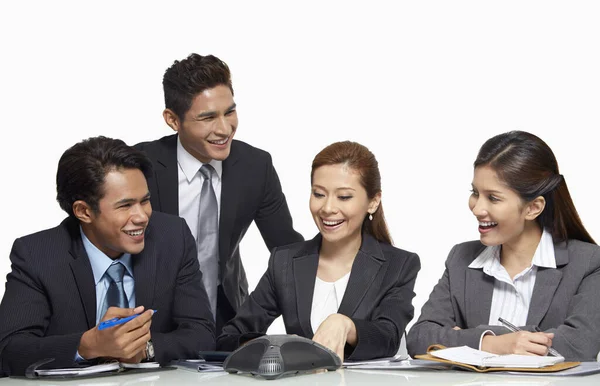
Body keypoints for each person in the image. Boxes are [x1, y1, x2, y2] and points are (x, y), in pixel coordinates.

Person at [0, 136, 215, 376]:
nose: (142, 216)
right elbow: (9, 349)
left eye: (145, 201)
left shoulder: (172, 238)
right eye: (125, 206)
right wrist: (86, 346)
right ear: (83, 211)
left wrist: (145, 349)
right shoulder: (37, 254)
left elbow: (202, 333)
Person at [135, 54, 303, 332]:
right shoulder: (141, 165)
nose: (225, 129)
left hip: (228, 316)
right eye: (208, 117)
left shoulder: (255, 166)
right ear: (172, 120)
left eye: (229, 112)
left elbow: (287, 252)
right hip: (151, 318)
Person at [217, 141, 420, 361]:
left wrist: (346, 326)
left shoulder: (399, 265)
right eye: (319, 194)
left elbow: (388, 337)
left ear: (373, 202)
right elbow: (230, 336)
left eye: (344, 197)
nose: (327, 208)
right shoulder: (285, 262)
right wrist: (272, 346)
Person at [407, 130, 600, 361]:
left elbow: (579, 346)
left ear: (533, 208)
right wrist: (494, 343)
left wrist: (466, 339)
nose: (477, 208)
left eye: (493, 198)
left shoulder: (587, 263)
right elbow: (419, 338)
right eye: (475, 193)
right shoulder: (461, 258)